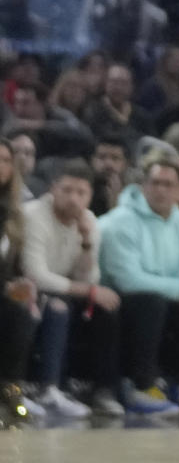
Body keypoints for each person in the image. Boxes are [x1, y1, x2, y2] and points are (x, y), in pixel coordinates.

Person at [97, 157, 179, 417]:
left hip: (160, 299)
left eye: (168, 184)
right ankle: (140, 386)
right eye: (155, 183)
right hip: (117, 302)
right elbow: (128, 280)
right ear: (143, 186)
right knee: (150, 302)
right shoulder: (120, 221)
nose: (161, 190)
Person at [22, 160, 123, 417]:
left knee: (107, 307)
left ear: (90, 196)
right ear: (53, 189)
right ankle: (48, 389)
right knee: (56, 307)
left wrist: (87, 242)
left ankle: (102, 390)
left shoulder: (89, 221)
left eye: (81, 193)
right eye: (67, 190)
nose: (73, 199)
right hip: (26, 288)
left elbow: (90, 278)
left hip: (64, 290)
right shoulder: (33, 215)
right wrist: (88, 291)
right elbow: (36, 274)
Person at [0, 136, 42, 422]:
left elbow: (12, 268)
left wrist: (22, 287)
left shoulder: (13, 214)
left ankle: (11, 388)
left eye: (5, 160)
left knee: (20, 311)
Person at [89, 137, 129, 216]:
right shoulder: (82, 189)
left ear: (126, 164)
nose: (108, 164)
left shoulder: (132, 194)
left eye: (115, 158)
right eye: (102, 157)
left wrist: (116, 204)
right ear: (92, 160)